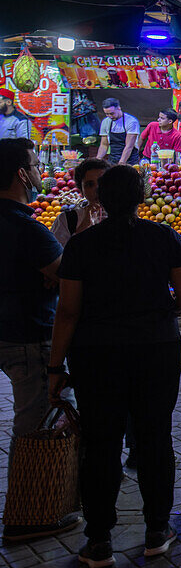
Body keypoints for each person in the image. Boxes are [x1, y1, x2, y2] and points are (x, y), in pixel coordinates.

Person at [46, 164, 181, 567]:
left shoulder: (81, 245)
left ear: (101, 199)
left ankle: (98, 541)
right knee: (154, 438)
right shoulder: (163, 236)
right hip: (156, 349)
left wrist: (55, 366)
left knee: (101, 443)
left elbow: (68, 312)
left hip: (96, 355)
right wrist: (162, 312)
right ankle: (157, 530)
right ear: (141, 197)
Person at [0, 138, 82, 542]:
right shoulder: (26, 228)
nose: (40, 171)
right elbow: (67, 276)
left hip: (8, 331)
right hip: (28, 335)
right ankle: (29, 514)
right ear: (21, 173)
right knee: (35, 423)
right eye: (35, 164)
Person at [51, 158, 109, 248]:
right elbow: (59, 258)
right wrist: (83, 226)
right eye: (90, 184)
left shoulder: (124, 217)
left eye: (102, 182)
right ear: (81, 190)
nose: (97, 189)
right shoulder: (67, 220)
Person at [95, 98, 141, 165]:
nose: (110, 116)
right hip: (113, 159)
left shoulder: (131, 122)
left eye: (112, 113)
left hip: (129, 160)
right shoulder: (106, 122)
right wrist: (97, 160)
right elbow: (104, 145)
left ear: (119, 108)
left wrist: (121, 163)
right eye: (107, 114)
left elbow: (129, 146)